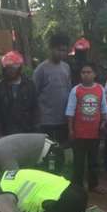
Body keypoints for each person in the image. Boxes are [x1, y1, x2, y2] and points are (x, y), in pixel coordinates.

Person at [66, 62, 107, 193]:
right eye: (83, 72)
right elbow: (70, 111)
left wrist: (104, 123)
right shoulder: (76, 90)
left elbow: (104, 109)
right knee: (78, 161)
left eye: (88, 72)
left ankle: (93, 185)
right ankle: (77, 186)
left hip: (94, 133)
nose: (85, 75)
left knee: (93, 161)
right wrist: (71, 130)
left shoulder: (100, 89)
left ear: (94, 74)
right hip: (79, 133)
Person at [33, 33, 72, 172]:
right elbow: (34, 94)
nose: (62, 53)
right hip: (46, 119)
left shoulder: (66, 67)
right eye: (59, 49)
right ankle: (46, 174)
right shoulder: (41, 69)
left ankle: (58, 175)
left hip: (62, 118)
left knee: (60, 149)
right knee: (46, 151)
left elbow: (68, 90)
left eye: (64, 50)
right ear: (51, 49)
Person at [0, 51, 38, 139]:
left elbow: (35, 109)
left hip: (27, 131)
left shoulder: (29, 85)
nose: (10, 71)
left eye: (13, 68)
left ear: (19, 68)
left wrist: (35, 131)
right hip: (6, 133)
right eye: (8, 68)